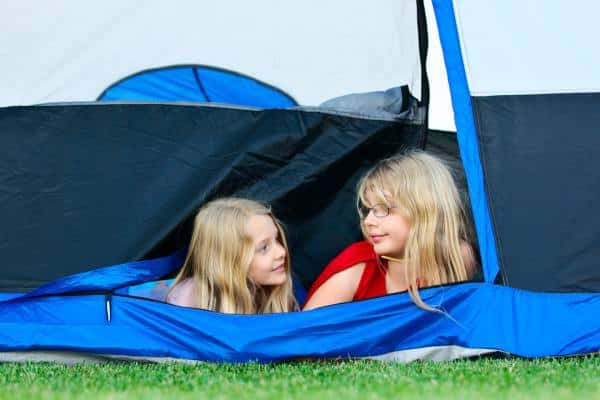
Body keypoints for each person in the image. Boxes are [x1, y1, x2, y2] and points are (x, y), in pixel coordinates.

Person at [303, 151, 479, 311]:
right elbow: (303, 334)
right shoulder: (359, 263)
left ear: (424, 210)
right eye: (368, 210)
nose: (368, 221)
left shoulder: (458, 256)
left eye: (384, 209)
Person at [167, 197, 297, 314]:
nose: (282, 252)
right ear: (229, 261)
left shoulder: (277, 297)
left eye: (277, 239)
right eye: (264, 248)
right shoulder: (185, 305)